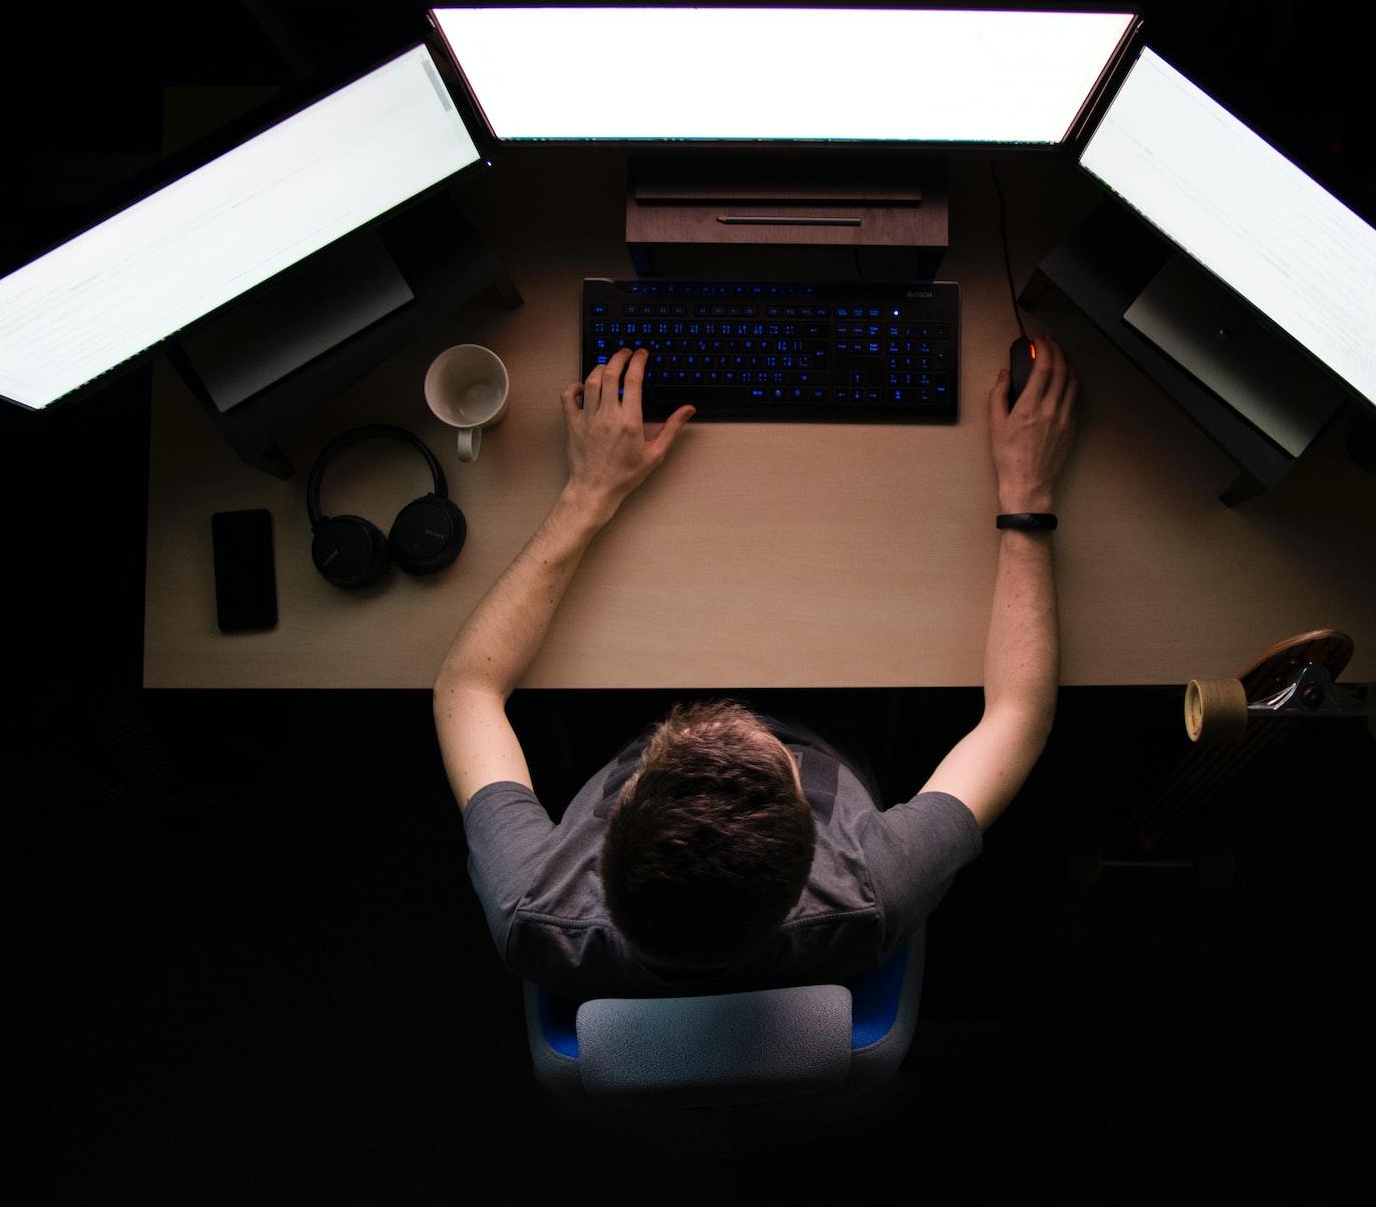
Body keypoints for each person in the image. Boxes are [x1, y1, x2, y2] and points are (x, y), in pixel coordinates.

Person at [435, 336, 1078, 1000]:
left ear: (616, 814)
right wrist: (1027, 491)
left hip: (613, 720)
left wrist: (588, 490)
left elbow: (466, 688)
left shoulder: (531, 906)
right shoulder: (872, 886)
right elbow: (1019, 713)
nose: (738, 711)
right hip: (840, 721)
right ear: (810, 848)